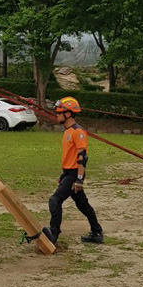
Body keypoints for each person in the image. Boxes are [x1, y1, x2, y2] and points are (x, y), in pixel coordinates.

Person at [46, 97, 104, 245]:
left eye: (59, 113)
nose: (56, 116)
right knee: (82, 204)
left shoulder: (79, 132)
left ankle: (53, 235)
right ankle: (97, 232)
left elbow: (82, 157)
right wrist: (63, 174)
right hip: (69, 173)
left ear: (68, 114)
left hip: (74, 174)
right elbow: (69, 157)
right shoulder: (67, 131)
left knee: (55, 200)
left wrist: (79, 179)